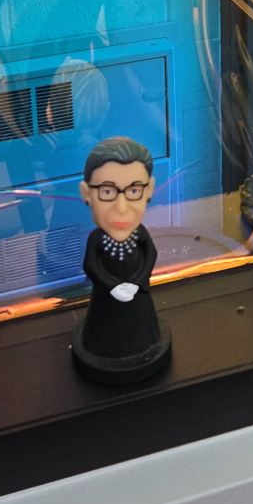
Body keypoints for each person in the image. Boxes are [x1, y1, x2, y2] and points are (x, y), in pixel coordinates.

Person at [73, 135, 170, 383]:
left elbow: (151, 255)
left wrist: (137, 283)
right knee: (104, 331)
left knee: (143, 327)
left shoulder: (140, 234)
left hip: (140, 302)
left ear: (149, 190)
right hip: (104, 307)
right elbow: (90, 265)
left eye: (134, 191)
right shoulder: (97, 239)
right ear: (86, 194)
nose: (122, 207)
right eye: (107, 191)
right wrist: (113, 287)